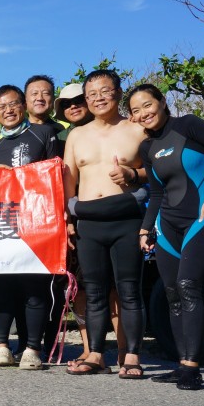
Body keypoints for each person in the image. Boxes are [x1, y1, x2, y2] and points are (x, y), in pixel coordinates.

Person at [130, 84, 204, 389]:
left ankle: (193, 368)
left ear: (162, 102)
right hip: (166, 226)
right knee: (171, 293)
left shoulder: (189, 125)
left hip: (201, 218)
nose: (143, 114)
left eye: (147, 105)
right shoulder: (147, 148)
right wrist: (146, 228)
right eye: (136, 110)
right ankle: (182, 364)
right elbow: (155, 192)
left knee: (189, 286)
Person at [64, 70, 148, 377]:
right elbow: (69, 179)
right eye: (92, 94)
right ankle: (96, 354)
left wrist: (133, 175)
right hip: (88, 220)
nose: (98, 98)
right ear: (86, 99)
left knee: (129, 290)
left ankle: (132, 356)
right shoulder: (77, 134)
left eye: (105, 91)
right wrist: (68, 219)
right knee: (95, 291)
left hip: (126, 216)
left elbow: (157, 170)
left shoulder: (136, 130)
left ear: (118, 93)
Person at [0, 84, 59, 370]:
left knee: (34, 286)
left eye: (13, 104)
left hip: (38, 221)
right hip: (4, 223)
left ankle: (32, 348)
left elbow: (55, 174)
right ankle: (2, 346)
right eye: (2, 107)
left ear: (24, 105)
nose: (9, 111)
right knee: (1, 285)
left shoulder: (44, 133)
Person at [24, 74, 66, 155]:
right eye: (34, 93)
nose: (40, 98)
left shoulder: (62, 132)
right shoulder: (14, 133)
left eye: (46, 93)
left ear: (53, 99)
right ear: (25, 100)